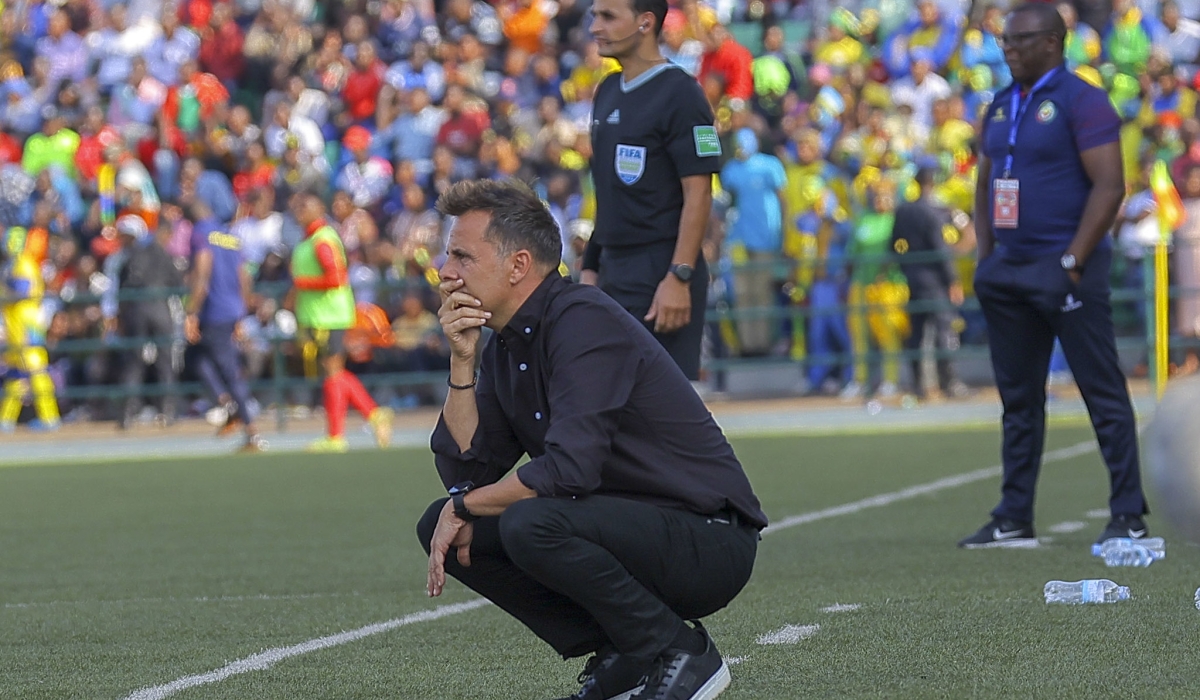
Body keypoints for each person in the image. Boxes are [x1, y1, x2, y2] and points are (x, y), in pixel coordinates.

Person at [419, 180, 765, 700]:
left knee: (528, 522)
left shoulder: (582, 319)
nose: (446, 272)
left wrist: (466, 503)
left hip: (707, 537)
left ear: (517, 266)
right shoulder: (505, 343)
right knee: (445, 526)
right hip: (626, 525)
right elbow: (467, 472)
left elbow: (567, 471)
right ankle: (626, 652)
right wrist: (461, 362)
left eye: (463, 256)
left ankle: (678, 650)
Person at [960, 3, 1149, 549]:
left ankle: (1128, 513)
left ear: (1053, 42)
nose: (1009, 49)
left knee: (1101, 392)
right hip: (1009, 271)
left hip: (1066, 269)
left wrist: (1071, 262)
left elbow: (1109, 187)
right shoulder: (1000, 104)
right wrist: (987, 258)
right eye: (1004, 40)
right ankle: (1014, 515)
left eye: (1020, 40)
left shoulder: (1083, 101)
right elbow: (986, 183)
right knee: (1018, 402)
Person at [580, 0, 721, 383]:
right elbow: (608, 193)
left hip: (660, 269)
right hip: (613, 269)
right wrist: (591, 264)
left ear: (645, 23)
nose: (595, 26)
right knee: (607, 407)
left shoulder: (682, 93)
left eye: (608, 16)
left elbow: (699, 194)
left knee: (662, 417)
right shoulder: (607, 89)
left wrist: (679, 276)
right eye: (595, 16)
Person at [287, 193, 392, 453]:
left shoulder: (323, 239)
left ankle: (336, 435)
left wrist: (301, 285)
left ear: (318, 209)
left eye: (306, 205)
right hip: (320, 316)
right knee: (334, 371)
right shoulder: (310, 239)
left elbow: (335, 278)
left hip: (329, 316)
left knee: (333, 372)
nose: (300, 210)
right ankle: (373, 414)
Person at [184, 201, 263, 453]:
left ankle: (251, 430)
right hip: (231, 308)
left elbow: (202, 271)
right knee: (198, 359)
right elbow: (244, 275)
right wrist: (242, 309)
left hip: (214, 310)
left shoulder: (202, 233)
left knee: (228, 370)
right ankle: (229, 406)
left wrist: (191, 312)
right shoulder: (229, 236)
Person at [890, 168, 969, 402]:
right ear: (932, 183)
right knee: (944, 331)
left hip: (912, 280)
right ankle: (950, 383)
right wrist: (953, 281)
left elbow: (894, 245)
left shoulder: (903, 210)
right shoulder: (933, 212)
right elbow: (940, 249)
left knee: (916, 333)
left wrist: (906, 267)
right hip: (935, 281)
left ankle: (917, 385)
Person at [109, 215, 183, 429]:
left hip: (137, 309)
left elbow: (121, 291)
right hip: (160, 307)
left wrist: (121, 316)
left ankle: (127, 414)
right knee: (164, 360)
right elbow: (177, 283)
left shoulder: (129, 256)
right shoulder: (162, 254)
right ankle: (167, 411)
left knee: (134, 361)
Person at [0, 226, 60, 431]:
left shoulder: (23, 264)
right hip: (14, 325)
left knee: (36, 370)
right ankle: (5, 419)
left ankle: (50, 417)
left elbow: (21, 292)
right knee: (16, 373)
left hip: (26, 324)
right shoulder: (11, 264)